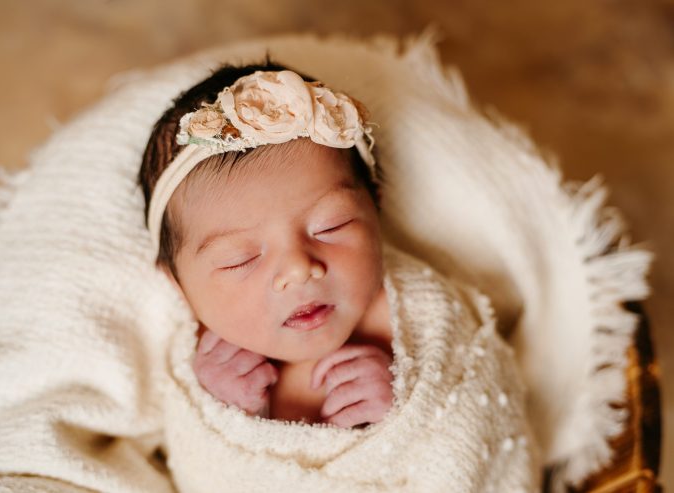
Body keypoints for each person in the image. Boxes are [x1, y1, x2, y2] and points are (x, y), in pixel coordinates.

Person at [138, 61, 540, 492]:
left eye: (330, 226)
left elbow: (478, 427)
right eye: (241, 259)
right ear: (177, 283)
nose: (298, 268)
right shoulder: (202, 364)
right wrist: (223, 410)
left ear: (375, 207)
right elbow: (197, 471)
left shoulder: (420, 318)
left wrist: (402, 411)